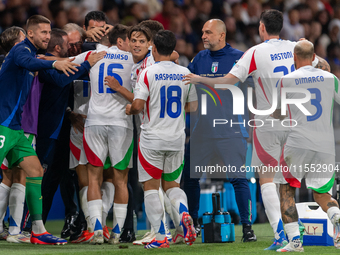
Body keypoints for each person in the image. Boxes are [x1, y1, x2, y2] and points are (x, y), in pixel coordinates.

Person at [183, 9, 330, 250]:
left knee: (267, 179)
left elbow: (228, 81)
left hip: (270, 121)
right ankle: (312, 224)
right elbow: (323, 66)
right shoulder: (298, 47)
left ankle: (282, 234)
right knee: (294, 180)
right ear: (281, 27)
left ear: (262, 28)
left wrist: (200, 80)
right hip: (300, 121)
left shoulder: (254, 53)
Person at [0, 14, 80, 245]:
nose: (47, 35)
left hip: (15, 128)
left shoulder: (33, 54)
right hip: (3, 124)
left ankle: (38, 230)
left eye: (49, 32)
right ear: (30, 33)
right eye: (43, 32)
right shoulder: (20, 50)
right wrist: (55, 62)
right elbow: (29, 63)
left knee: (35, 171)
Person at [185, 18, 256, 242]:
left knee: (238, 179)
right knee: (190, 178)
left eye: (208, 32)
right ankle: (194, 225)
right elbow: (187, 85)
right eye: (203, 32)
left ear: (221, 35)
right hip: (202, 132)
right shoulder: (199, 59)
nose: (204, 36)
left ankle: (247, 227)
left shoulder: (239, 58)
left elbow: (246, 92)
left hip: (230, 129)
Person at [126, 30, 198, 249]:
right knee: (173, 186)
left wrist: (130, 109)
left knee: (150, 187)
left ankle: (159, 236)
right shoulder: (185, 72)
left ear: (153, 48)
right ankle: (184, 212)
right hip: (177, 138)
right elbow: (193, 107)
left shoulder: (147, 72)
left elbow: (138, 105)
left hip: (152, 139)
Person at [273, 40, 340, 252]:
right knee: (322, 195)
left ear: (294, 58)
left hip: (297, 143)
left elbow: (279, 114)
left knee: (286, 190)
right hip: (326, 146)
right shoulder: (331, 79)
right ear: (314, 58)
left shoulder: (286, 80)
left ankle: (295, 243)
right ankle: (337, 217)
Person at [36, 28, 105, 229]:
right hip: (47, 129)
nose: (74, 49)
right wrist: (87, 63)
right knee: (43, 178)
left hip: (64, 127)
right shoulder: (49, 65)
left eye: (78, 44)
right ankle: (30, 225)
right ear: (58, 47)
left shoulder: (51, 61)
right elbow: (62, 80)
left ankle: (77, 223)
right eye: (69, 45)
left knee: (63, 175)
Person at [72, 26, 134, 245]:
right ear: (120, 40)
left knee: (93, 178)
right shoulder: (132, 57)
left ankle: (97, 230)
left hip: (95, 122)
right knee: (121, 180)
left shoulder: (93, 54)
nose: (133, 44)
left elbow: (67, 63)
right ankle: (116, 232)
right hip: (121, 124)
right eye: (130, 39)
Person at [0, 26, 30, 243]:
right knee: (12, 175)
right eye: (25, 37)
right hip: (8, 125)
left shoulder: (21, 62)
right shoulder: (16, 62)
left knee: (17, 174)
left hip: (18, 125)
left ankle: (13, 230)